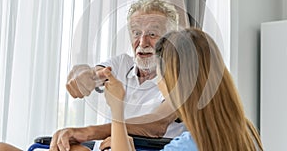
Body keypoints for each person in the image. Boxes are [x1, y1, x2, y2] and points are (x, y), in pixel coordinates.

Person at [0, 0, 184, 151]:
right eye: (136, 33)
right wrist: (83, 74)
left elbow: (156, 126)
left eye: (152, 34)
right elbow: (94, 73)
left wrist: (86, 132)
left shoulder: (183, 77)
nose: (142, 42)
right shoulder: (122, 64)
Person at [101, 28, 264, 151]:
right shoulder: (247, 133)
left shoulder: (186, 146)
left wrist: (117, 110)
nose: (159, 84)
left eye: (160, 77)